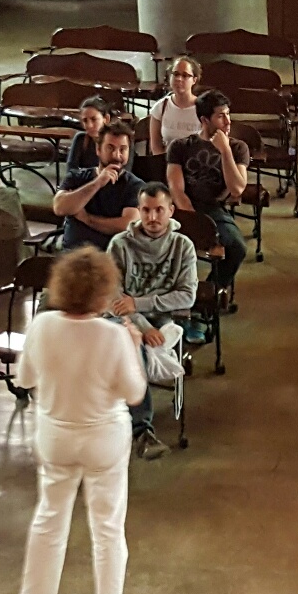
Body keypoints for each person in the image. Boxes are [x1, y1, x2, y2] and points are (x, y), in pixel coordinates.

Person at [15, 247, 145, 594]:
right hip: (103, 439)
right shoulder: (113, 334)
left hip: (55, 436)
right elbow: (135, 393)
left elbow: (24, 379)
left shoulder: (42, 325)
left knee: (50, 514)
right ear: (103, 294)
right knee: (107, 524)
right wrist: (134, 346)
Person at [106, 184, 197, 460]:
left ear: (171, 210)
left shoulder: (183, 246)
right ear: (139, 211)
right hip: (124, 320)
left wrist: (139, 304)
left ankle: (137, 428)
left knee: (132, 349)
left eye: (159, 210)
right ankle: (142, 430)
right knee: (131, 344)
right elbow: (113, 296)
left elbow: (187, 296)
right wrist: (142, 327)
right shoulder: (119, 245)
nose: (153, 217)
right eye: (146, 210)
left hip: (162, 321)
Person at [167, 90, 249, 294]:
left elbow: (237, 188)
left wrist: (225, 151)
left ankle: (209, 293)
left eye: (228, 114)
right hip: (184, 209)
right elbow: (176, 190)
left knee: (237, 248)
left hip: (214, 209)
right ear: (204, 120)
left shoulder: (237, 148)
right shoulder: (181, 146)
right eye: (220, 116)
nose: (228, 121)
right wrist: (195, 222)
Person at [53, 119, 140, 250]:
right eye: (110, 148)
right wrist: (97, 183)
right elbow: (59, 207)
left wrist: (88, 219)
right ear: (98, 149)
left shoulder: (135, 186)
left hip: (110, 256)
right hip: (73, 254)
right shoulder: (76, 177)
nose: (117, 155)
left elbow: (127, 225)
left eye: (123, 149)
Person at [146, 59, 203, 156]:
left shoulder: (203, 107)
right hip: (166, 162)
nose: (179, 79)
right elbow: (156, 147)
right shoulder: (161, 107)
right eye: (176, 74)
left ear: (194, 80)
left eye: (185, 75)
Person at [66, 95, 116, 171]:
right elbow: (70, 171)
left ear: (106, 119)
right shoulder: (81, 139)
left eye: (94, 119)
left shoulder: (119, 140)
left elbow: (124, 173)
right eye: (85, 121)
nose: (89, 125)